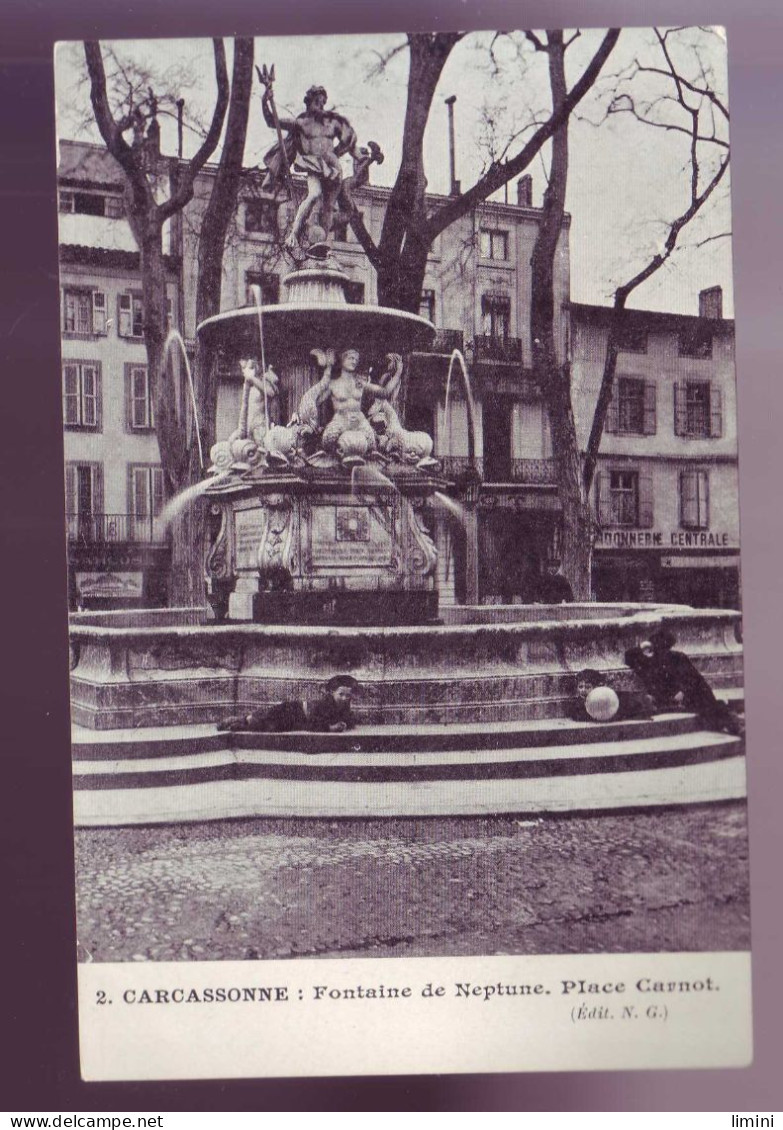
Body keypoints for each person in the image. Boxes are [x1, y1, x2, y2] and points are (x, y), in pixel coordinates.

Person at [259, 79, 360, 251]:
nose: (320, 106)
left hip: (333, 167)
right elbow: (271, 121)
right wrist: (265, 100)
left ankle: (321, 242)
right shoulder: (302, 122)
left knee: (328, 207)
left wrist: (342, 153)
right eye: (316, 102)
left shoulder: (332, 122)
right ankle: (294, 234)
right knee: (314, 194)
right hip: (313, 164)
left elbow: (349, 139)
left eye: (322, 103)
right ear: (309, 102)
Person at [625, 629, 742, 735]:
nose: (663, 651)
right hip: (666, 701)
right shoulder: (648, 661)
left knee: (708, 703)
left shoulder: (676, 657)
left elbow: (693, 679)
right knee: (711, 706)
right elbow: (628, 656)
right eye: (660, 647)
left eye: (664, 647)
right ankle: (733, 723)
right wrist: (642, 646)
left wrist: (683, 692)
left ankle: (733, 724)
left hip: (682, 698)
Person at [218, 674, 358, 735]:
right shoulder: (325, 704)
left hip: (298, 718)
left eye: (348, 695)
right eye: (341, 694)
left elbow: (349, 718)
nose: (344, 698)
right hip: (294, 711)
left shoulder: (344, 705)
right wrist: (331, 728)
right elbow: (315, 723)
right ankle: (237, 722)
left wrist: (345, 723)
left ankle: (240, 724)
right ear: (332, 692)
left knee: (271, 725)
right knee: (267, 720)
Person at [566, 668, 652, 723]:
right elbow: (575, 714)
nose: (583, 690)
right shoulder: (578, 703)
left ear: (597, 687)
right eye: (580, 687)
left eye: (588, 687)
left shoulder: (605, 696)